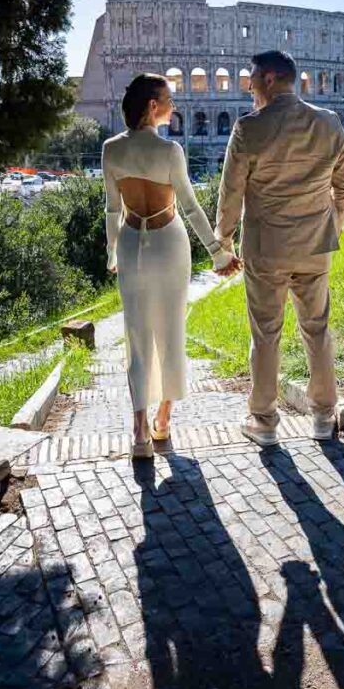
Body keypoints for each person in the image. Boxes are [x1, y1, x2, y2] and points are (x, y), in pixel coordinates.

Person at [215, 50, 344, 446]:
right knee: (317, 329)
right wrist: (334, 225)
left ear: (272, 79)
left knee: (265, 334)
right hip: (315, 247)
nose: (248, 84)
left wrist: (223, 244)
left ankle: (263, 422)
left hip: (266, 250)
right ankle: (325, 417)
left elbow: (231, 194)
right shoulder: (329, 123)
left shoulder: (249, 129)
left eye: (253, 77)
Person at [102, 74, 240, 458]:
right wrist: (218, 253)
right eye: (169, 100)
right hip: (168, 241)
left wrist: (113, 251)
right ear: (152, 106)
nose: (173, 106)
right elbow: (192, 208)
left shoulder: (110, 149)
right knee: (171, 329)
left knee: (136, 335)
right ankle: (164, 419)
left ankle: (139, 433)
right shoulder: (170, 151)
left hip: (131, 242)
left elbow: (113, 208)